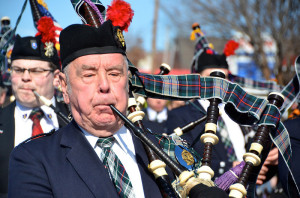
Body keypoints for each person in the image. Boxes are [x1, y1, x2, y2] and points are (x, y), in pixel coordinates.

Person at [8, 14, 228, 198]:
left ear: (127, 83)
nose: (104, 86)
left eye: (114, 74)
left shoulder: (166, 149)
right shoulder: (34, 158)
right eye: (89, 74)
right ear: (64, 87)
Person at [166, 43, 250, 178]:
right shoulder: (180, 115)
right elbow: (182, 159)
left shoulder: (240, 112)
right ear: (199, 79)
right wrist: (231, 168)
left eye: (224, 77)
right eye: (212, 77)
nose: (218, 83)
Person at [0, 34, 69, 197]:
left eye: (36, 71)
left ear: (56, 78)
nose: (25, 77)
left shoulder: (75, 120)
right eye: (18, 70)